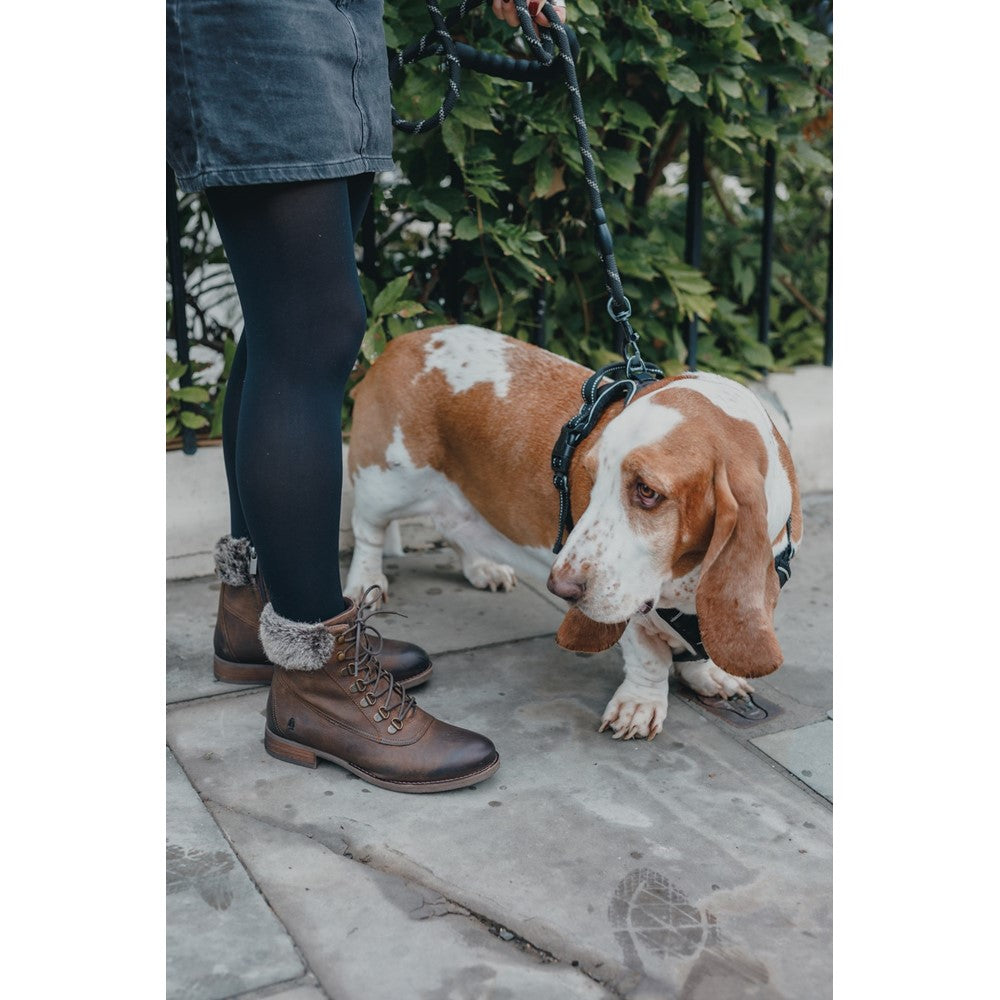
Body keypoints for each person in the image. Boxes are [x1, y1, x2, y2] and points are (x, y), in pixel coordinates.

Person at [166, 0, 566, 793]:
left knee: (284, 319)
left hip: (329, 19)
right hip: (261, 18)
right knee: (311, 326)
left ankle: (260, 613)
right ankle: (317, 679)